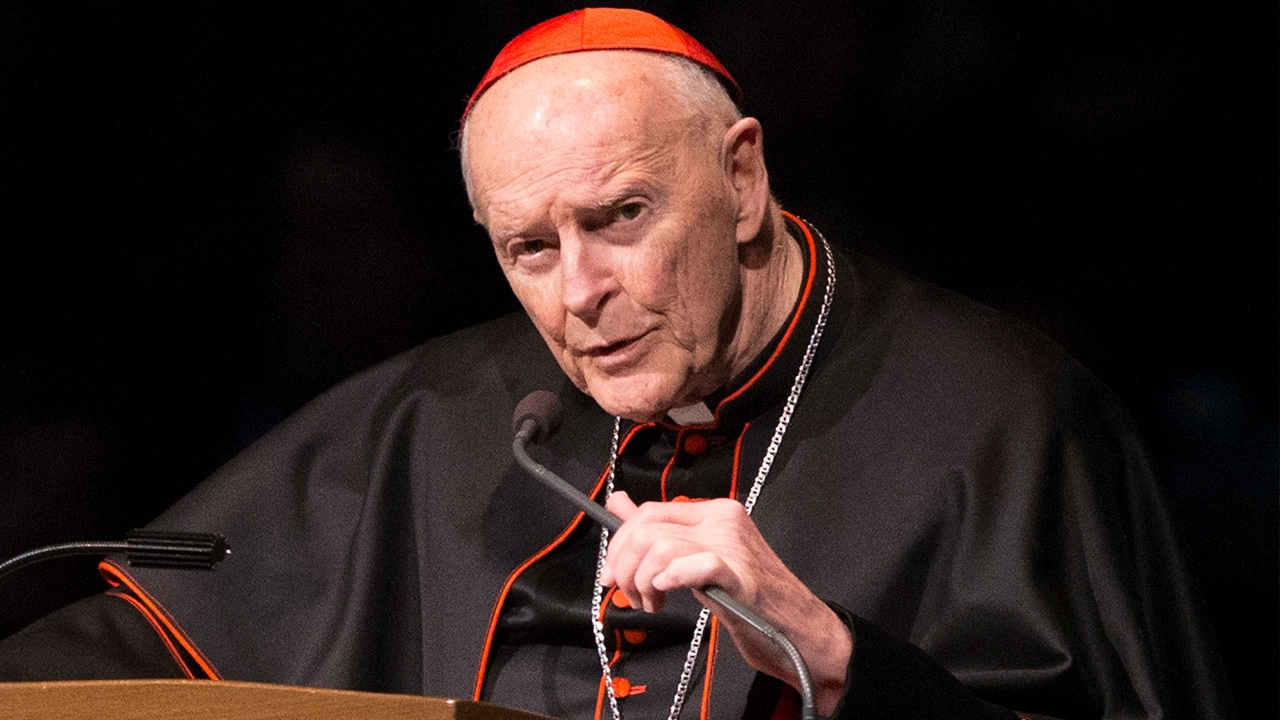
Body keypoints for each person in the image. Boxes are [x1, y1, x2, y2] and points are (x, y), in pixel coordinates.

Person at [0, 8, 1234, 719]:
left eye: (621, 218)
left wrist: (835, 654)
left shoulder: (998, 412)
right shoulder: (440, 413)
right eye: (529, 248)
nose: (579, 292)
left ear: (741, 177)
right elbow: (128, 656)